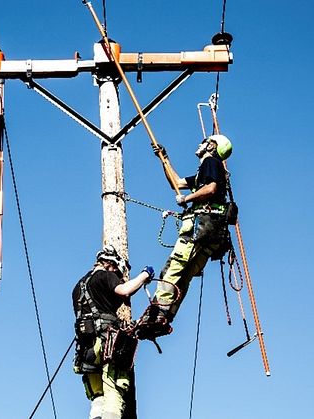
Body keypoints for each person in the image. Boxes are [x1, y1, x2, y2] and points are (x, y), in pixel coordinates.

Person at [137, 134, 234, 339]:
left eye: (205, 141)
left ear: (211, 146)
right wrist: (164, 159)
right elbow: (177, 182)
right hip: (212, 233)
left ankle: (156, 313)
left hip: (200, 227)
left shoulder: (210, 162)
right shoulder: (207, 169)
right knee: (185, 276)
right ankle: (165, 317)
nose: (200, 143)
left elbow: (211, 188)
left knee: (174, 268)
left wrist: (187, 198)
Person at [72, 245, 154, 419]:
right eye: (116, 271)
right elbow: (125, 290)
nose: (117, 275)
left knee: (98, 397)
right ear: (111, 263)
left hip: (86, 347)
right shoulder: (105, 275)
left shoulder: (78, 287)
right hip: (106, 343)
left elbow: (118, 298)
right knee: (114, 391)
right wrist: (145, 274)